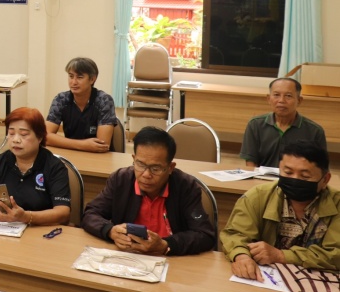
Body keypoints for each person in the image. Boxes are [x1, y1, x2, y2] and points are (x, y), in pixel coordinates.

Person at [82, 126, 216, 255]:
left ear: (170, 168)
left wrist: (166, 245)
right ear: (134, 159)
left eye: (155, 169)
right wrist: (110, 231)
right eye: (140, 165)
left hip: (170, 259)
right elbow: (90, 213)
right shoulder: (120, 180)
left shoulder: (186, 186)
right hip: (127, 256)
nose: (146, 174)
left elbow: (205, 235)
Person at [222, 140, 339, 279]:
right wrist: (242, 256)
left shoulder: (337, 204)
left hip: (320, 281)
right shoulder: (257, 197)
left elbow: (336, 254)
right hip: (267, 279)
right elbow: (235, 234)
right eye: (288, 172)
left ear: (325, 179)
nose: (295, 180)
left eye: (305, 176)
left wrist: (281, 256)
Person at [0, 107, 70, 226]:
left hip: (40, 230)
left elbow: (63, 212)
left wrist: (26, 217)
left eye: (24, 134)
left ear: (40, 137)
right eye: (11, 133)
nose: (15, 140)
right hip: (3, 229)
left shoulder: (54, 167)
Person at [240, 77, 327, 168]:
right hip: (262, 176)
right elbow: (251, 163)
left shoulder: (315, 131)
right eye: (276, 95)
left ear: (299, 100)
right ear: (269, 99)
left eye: (288, 96)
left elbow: (320, 166)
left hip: (298, 177)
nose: (281, 100)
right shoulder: (255, 125)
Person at [46, 57, 117, 153]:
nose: (74, 82)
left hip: (98, 157)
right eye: (71, 76)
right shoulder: (61, 99)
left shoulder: (104, 100)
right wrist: (84, 145)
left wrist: (64, 142)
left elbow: (102, 145)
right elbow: (45, 136)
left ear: (92, 79)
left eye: (79, 77)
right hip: (71, 153)